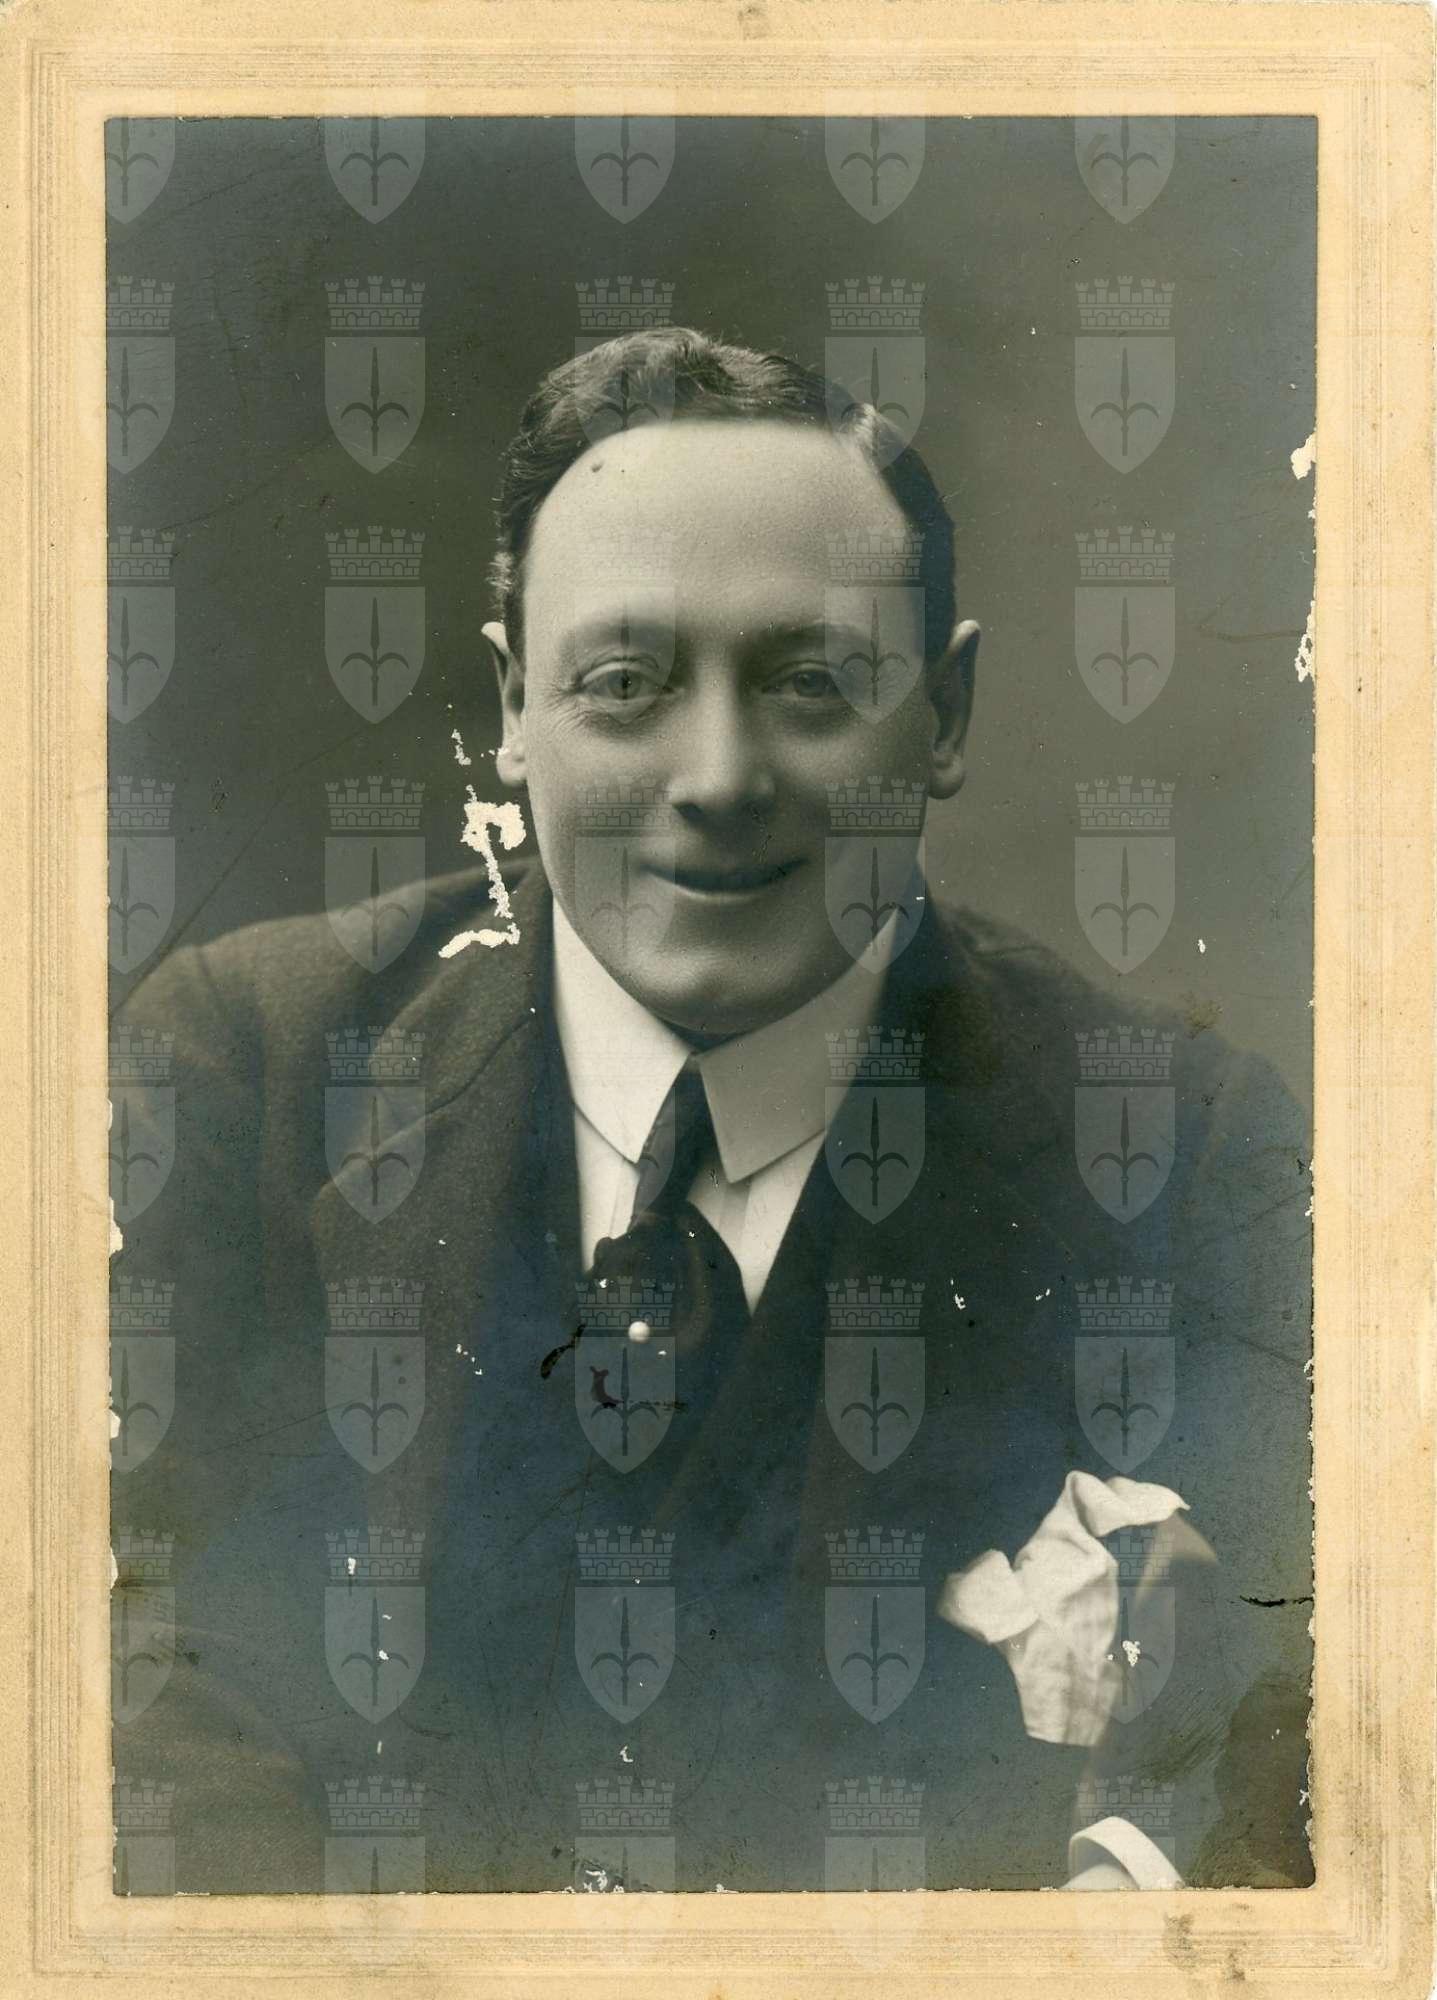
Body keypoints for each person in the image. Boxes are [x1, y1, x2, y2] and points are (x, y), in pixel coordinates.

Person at [110, 328, 1313, 1894]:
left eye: (813, 682)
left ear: (945, 713)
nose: (721, 776)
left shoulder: (1176, 1148)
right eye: (624, 684)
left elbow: (1303, 1713)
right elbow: (112, 1666)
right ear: (512, 707)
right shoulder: (247, 1069)